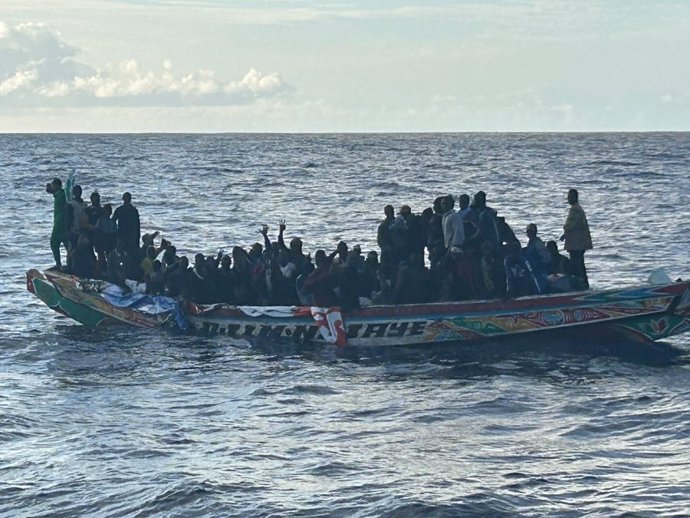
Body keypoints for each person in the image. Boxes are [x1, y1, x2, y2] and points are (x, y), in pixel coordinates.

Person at [561, 188, 593, 289]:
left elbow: (569, 225)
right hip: (579, 242)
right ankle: (583, 284)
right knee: (580, 264)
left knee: (577, 264)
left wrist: (565, 232)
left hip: (576, 244)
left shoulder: (575, 209)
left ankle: (580, 285)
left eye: (570, 197)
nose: (568, 199)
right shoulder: (579, 209)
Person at [46, 178, 69, 269]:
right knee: (66, 243)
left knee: (54, 242)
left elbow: (57, 194)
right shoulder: (59, 194)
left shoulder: (63, 195)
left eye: (54, 185)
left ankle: (59, 263)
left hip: (61, 223)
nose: (53, 187)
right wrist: (50, 190)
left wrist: (50, 190)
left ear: (58, 185)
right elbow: (53, 193)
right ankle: (69, 262)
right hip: (60, 223)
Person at [113, 192, 140, 258]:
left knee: (124, 255)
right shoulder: (133, 210)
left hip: (126, 235)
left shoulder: (120, 210)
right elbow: (137, 226)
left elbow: (112, 221)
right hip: (127, 235)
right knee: (128, 255)